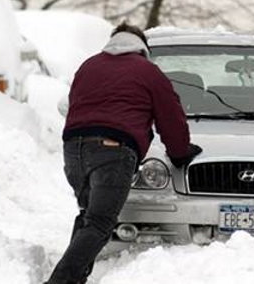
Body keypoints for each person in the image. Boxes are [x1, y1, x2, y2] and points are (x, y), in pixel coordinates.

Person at [46, 23, 202, 284]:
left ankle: (74, 279)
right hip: (113, 151)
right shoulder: (148, 72)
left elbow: (74, 105)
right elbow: (171, 118)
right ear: (142, 46)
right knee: (99, 223)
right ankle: (59, 282)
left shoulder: (89, 66)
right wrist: (180, 153)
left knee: (89, 216)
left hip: (74, 150)